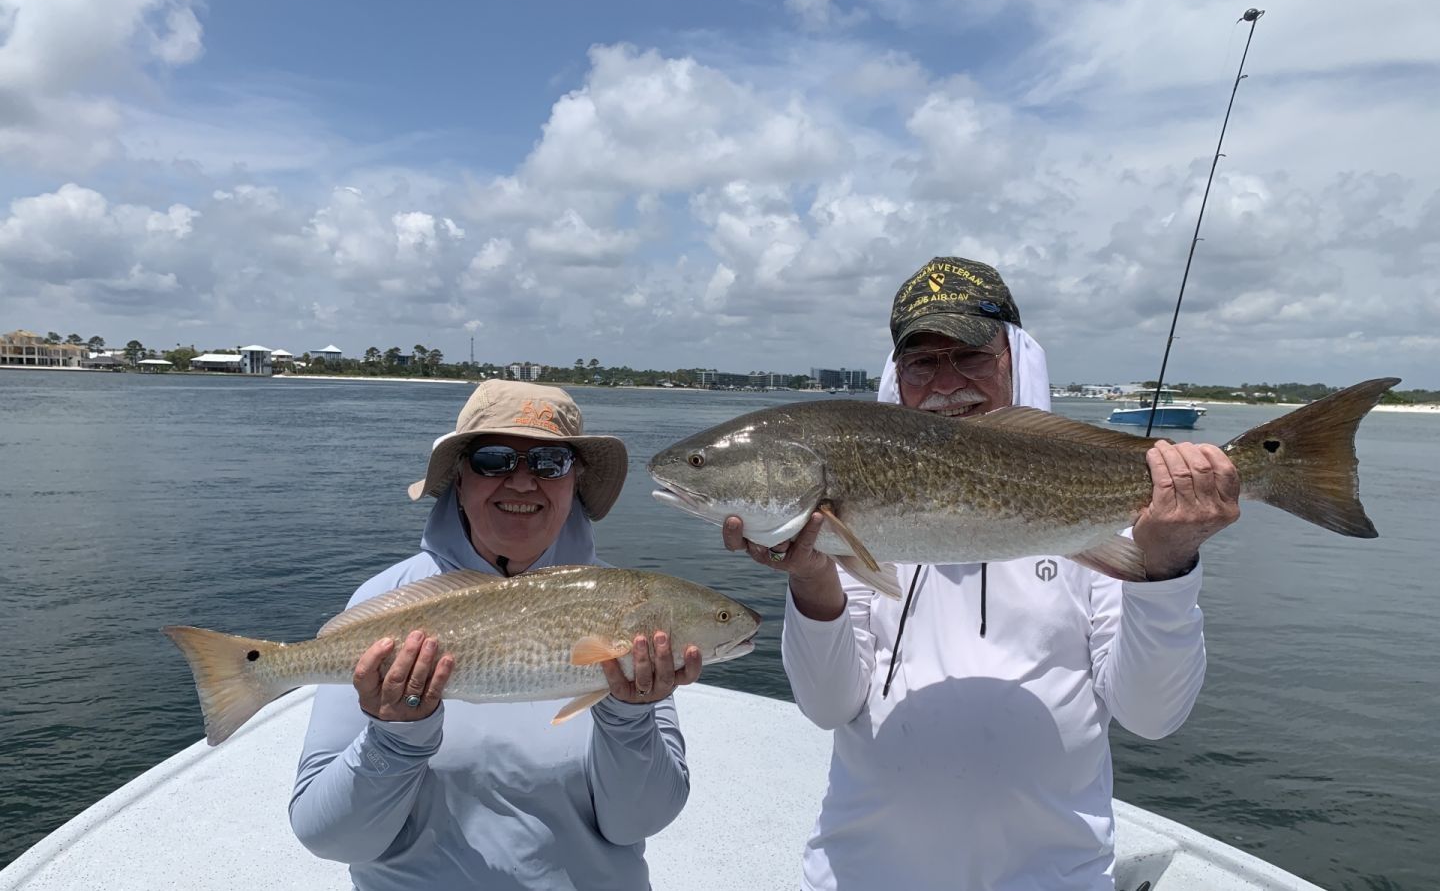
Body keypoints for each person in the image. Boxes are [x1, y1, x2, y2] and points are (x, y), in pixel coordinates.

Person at [724, 256, 1241, 890]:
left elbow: (1153, 715)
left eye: (968, 355)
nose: (945, 383)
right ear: (897, 374)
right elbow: (828, 705)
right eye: (922, 361)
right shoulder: (853, 517)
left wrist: (1167, 564)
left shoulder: (1108, 520)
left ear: (1014, 358)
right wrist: (811, 580)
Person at [291, 380, 701, 891]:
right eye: (493, 460)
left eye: (551, 463)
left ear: (575, 481)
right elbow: (329, 840)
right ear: (459, 477)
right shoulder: (386, 601)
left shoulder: (626, 607)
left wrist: (630, 717)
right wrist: (393, 738)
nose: (523, 483)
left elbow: (635, 824)